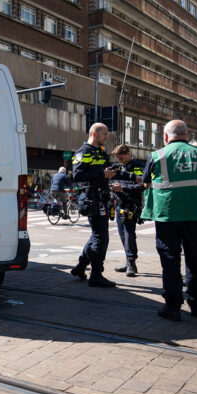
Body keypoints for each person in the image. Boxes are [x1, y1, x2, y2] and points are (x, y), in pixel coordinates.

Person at [142, 120, 197, 321]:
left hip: (168, 215)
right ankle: (196, 305)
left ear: (165, 137)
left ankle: (172, 307)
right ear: (187, 135)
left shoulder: (157, 155)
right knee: (196, 259)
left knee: (170, 261)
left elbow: (146, 184)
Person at [70, 123, 135, 287]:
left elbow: (110, 171)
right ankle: (96, 275)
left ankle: (81, 266)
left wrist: (134, 177)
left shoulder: (100, 152)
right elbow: (77, 174)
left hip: (101, 198)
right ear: (94, 133)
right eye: (104, 133)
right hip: (92, 199)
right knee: (101, 237)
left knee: (96, 235)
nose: (106, 136)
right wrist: (101, 174)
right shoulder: (84, 151)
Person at [111, 145, 144, 277]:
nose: (120, 161)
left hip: (131, 204)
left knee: (129, 234)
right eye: (118, 158)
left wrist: (122, 189)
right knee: (123, 235)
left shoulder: (138, 166)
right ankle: (128, 261)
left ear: (129, 153)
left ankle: (131, 263)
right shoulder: (119, 167)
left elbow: (142, 185)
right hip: (120, 203)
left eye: (122, 158)